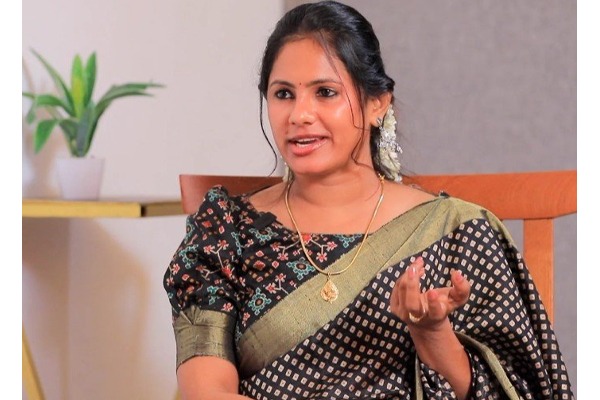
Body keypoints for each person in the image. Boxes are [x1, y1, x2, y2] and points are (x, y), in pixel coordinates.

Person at [163, 1, 574, 399]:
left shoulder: (456, 233)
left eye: (325, 92)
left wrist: (433, 333)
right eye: (283, 94)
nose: (299, 115)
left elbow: (515, 391)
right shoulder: (226, 230)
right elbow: (208, 390)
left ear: (377, 103)